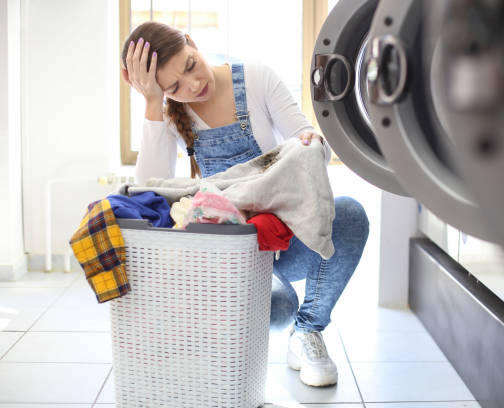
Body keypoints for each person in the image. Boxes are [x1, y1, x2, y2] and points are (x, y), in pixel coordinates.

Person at [120, 21, 369, 387]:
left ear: (192, 43)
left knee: (349, 214)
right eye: (174, 86)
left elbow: (311, 146)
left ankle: (308, 333)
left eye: (191, 65)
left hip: (285, 238)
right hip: (232, 254)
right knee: (278, 307)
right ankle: (216, 346)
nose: (193, 85)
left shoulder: (256, 78)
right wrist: (154, 103)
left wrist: (309, 143)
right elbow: (149, 192)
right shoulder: (172, 113)